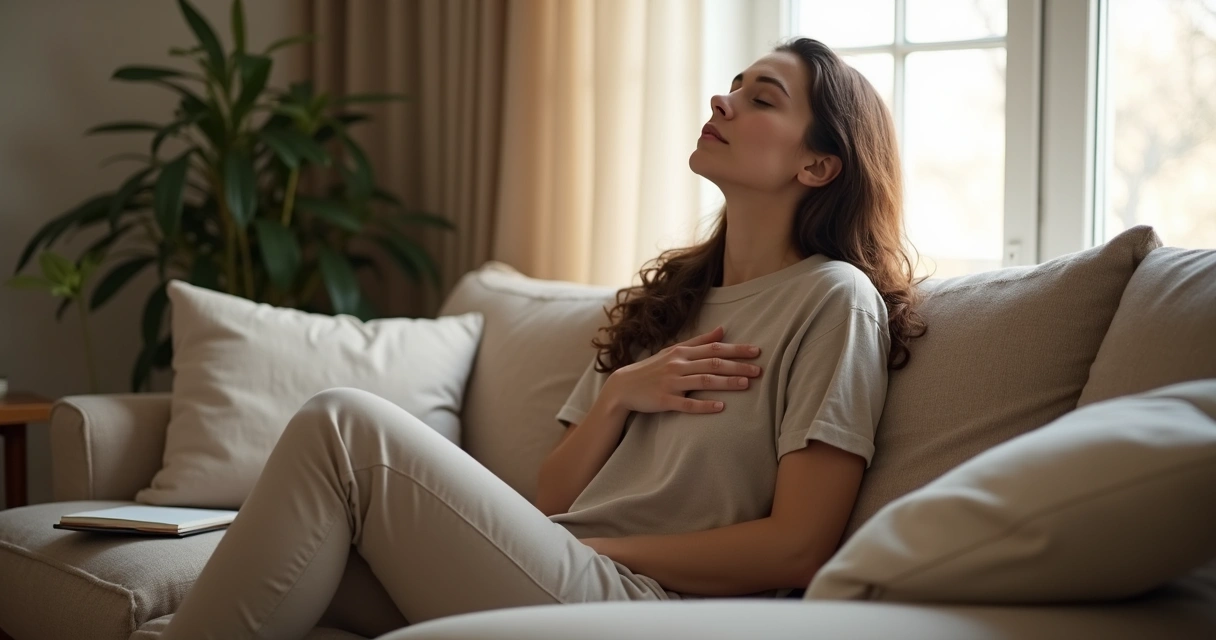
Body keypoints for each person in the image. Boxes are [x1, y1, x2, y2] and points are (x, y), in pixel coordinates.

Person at [160, 37, 927, 639]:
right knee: (283, 583)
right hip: (563, 567)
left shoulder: (831, 301)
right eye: (732, 84)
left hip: (653, 604)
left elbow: (798, 547)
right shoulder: (673, 301)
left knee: (342, 426)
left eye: (761, 98)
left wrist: (599, 552)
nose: (723, 101)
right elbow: (553, 497)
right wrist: (622, 394)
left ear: (820, 163)